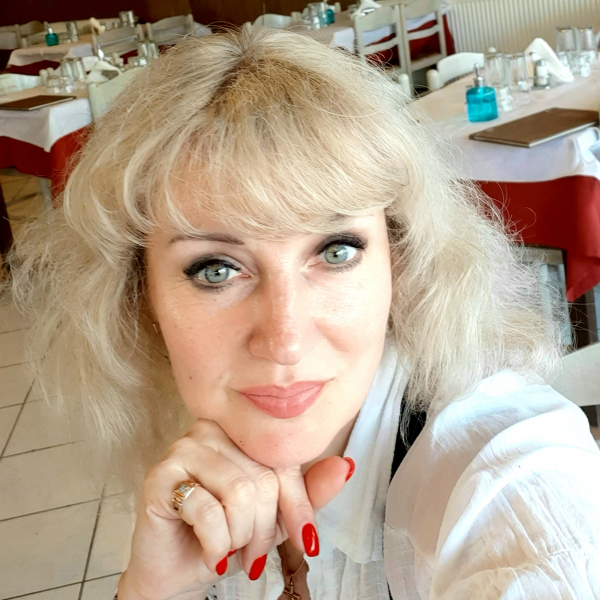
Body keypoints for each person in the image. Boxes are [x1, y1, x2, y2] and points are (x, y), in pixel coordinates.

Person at [6, 26, 600, 600]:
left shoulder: (509, 489)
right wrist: (156, 591)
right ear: (141, 296)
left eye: (335, 252)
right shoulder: (201, 457)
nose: (284, 339)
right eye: (216, 270)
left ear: (399, 263)